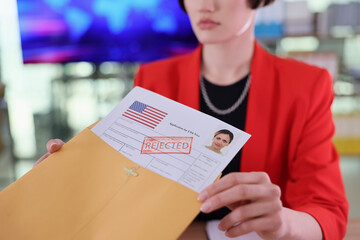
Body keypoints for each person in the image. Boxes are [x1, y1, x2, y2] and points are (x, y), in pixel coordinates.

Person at [37, 0, 348, 239]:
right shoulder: (154, 78)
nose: (205, 5)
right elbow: (127, 177)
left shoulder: (306, 85)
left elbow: (326, 210)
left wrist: (284, 223)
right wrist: (73, 173)